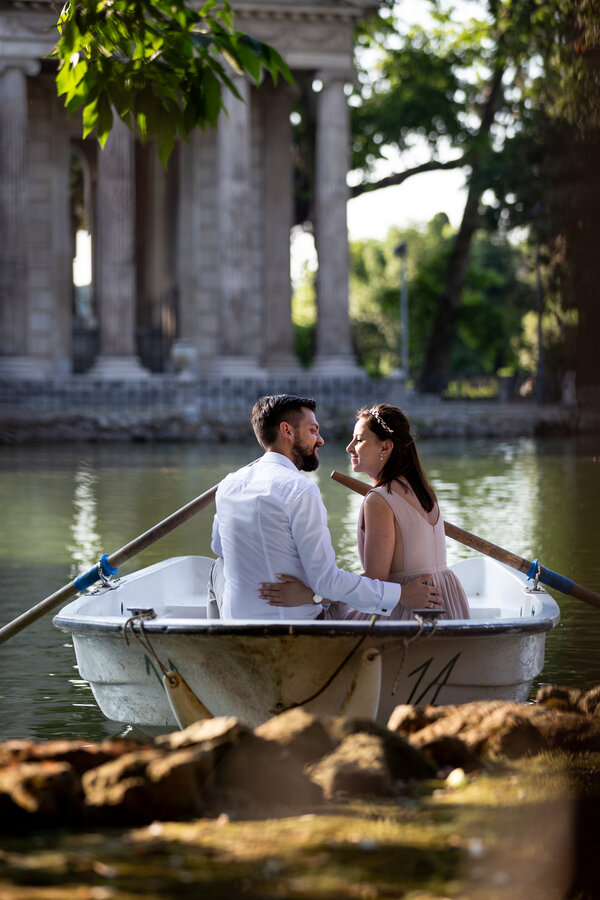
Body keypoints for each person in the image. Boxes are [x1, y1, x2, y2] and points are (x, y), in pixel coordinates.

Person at [210, 394, 442, 620]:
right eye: (313, 430)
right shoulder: (301, 489)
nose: (320, 439)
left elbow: (220, 548)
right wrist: (400, 594)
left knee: (216, 570)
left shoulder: (228, 484)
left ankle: (213, 642)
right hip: (297, 624)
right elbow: (326, 583)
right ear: (287, 431)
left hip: (235, 620)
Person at [260, 403, 470, 620]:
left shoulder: (378, 500)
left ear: (385, 448)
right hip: (449, 601)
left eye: (359, 440)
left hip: (409, 609)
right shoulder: (424, 492)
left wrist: (309, 595)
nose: (349, 448)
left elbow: (374, 581)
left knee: (325, 613)